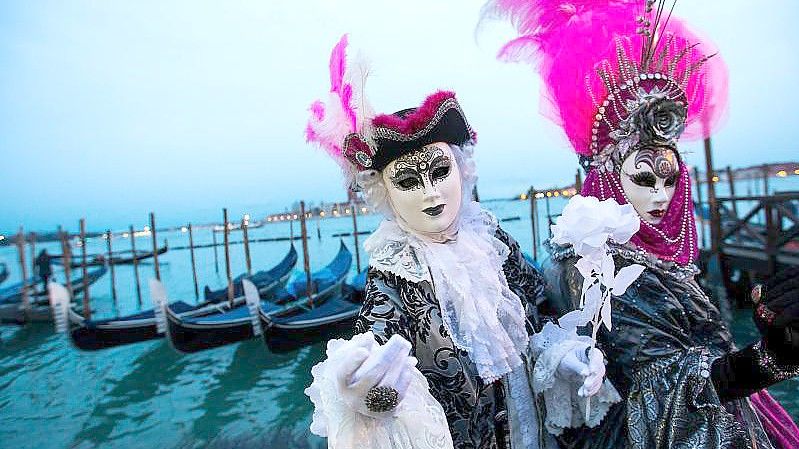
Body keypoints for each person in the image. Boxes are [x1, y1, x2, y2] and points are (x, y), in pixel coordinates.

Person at [489, 0, 799, 448]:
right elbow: (665, 394)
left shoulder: (654, 256)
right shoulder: (604, 270)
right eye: (643, 178)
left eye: (670, 179)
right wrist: (770, 358)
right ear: (610, 180)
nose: (660, 195)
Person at [303, 35, 615, 449]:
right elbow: (373, 356)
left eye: (439, 172)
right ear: (386, 194)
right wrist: (364, 394)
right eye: (409, 181)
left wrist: (564, 358)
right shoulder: (396, 275)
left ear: (462, 170)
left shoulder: (492, 240)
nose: (431, 192)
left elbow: (537, 319)